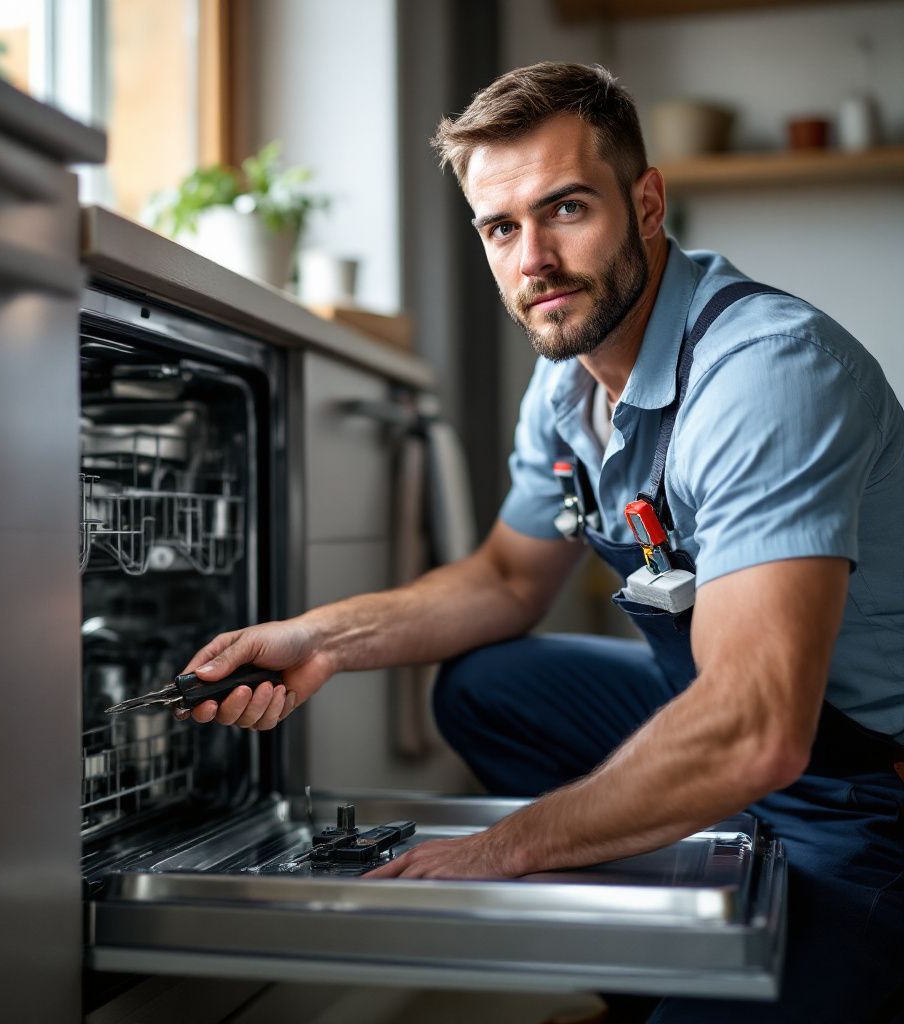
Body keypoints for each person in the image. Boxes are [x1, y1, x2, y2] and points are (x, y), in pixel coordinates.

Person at [177, 63, 904, 1022]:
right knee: (489, 687)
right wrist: (321, 639)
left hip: (858, 787)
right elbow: (508, 578)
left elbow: (756, 727)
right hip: (738, 729)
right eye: (501, 227)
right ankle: (653, 971)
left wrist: (503, 848)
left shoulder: (765, 376)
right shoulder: (567, 386)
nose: (534, 262)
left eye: (565, 209)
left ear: (646, 203)